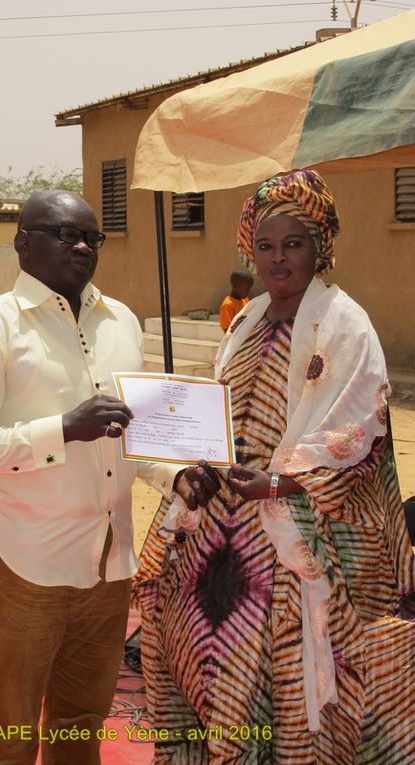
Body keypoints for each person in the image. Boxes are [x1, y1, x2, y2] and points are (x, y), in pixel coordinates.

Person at [133, 170, 415, 764]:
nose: (278, 258)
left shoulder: (345, 324)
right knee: (203, 666)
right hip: (219, 534)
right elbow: (215, 410)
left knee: (283, 677)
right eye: (266, 245)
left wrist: (281, 482)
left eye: (294, 243)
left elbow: (358, 426)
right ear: (250, 250)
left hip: (298, 537)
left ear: (321, 246)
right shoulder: (243, 322)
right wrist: (197, 463)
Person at [0, 189, 216, 765]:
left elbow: (130, 436)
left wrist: (174, 474)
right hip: (25, 559)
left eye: (94, 237)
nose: (84, 246)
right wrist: (62, 428)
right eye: (65, 234)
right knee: (10, 726)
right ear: (23, 243)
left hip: (109, 563)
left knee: (81, 721)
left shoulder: (121, 321)